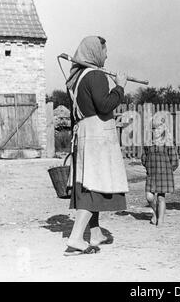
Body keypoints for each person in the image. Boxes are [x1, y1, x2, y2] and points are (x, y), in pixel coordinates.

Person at [64, 36, 129, 255]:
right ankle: (75, 238)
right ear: (94, 52)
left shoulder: (78, 77)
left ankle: (96, 232)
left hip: (85, 133)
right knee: (94, 186)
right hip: (97, 136)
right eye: (104, 50)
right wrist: (120, 87)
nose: (107, 55)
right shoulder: (96, 75)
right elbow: (105, 105)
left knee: (90, 182)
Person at [141, 116, 179, 227]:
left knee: (161, 197)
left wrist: (168, 170)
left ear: (164, 129)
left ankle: (160, 220)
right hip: (151, 174)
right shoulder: (148, 143)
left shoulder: (168, 143)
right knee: (149, 197)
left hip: (164, 174)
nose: (155, 131)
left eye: (158, 128)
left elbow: (174, 160)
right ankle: (156, 213)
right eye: (153, 129)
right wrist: (147, 166)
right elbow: (144, 157)